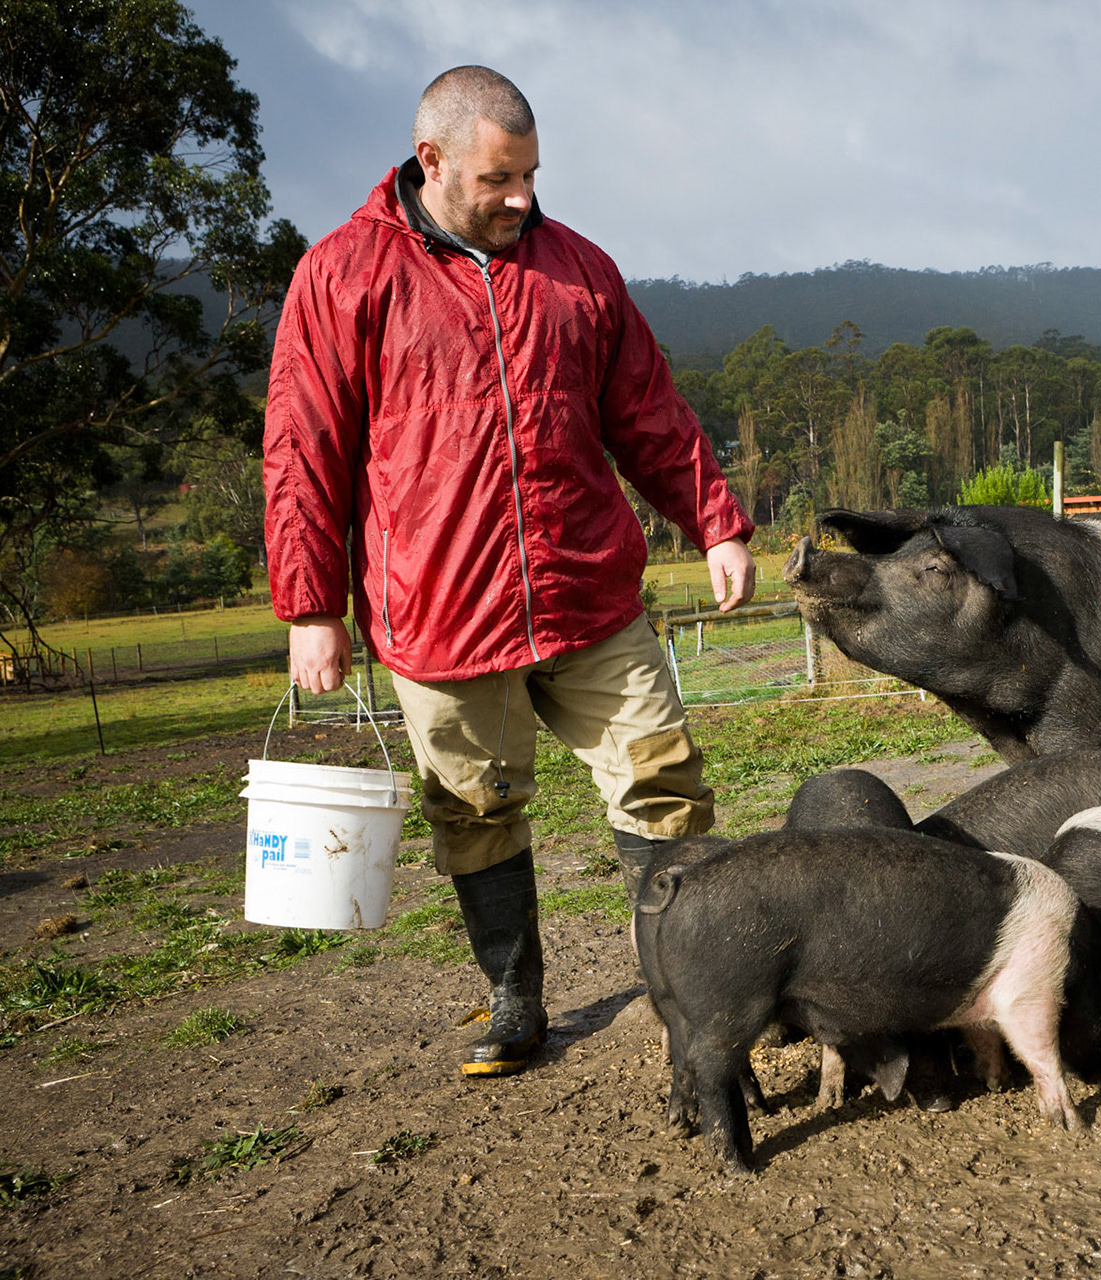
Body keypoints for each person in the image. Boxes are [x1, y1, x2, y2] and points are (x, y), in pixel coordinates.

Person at [264, 66, 755, 1078]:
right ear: (431, 160)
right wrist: (311, 602)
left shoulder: (579, 272)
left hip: (590, 595)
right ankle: (515, 995)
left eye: (532, 175)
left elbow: (648, 414)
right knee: (475, 809)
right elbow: (305, 444)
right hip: (441, 613)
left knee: (662, 783)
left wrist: (714, 521)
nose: (524, 198)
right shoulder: (344, 275)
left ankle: (685, 999)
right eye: (500, 180)